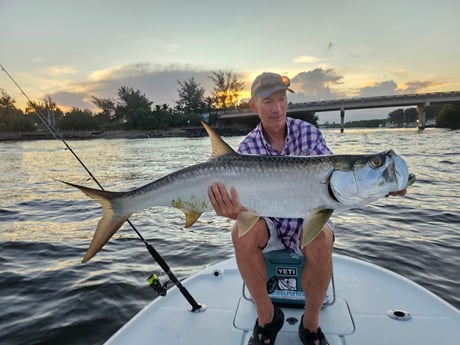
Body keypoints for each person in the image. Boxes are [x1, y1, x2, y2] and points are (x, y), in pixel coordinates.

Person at [207, 72, 406, 345]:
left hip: (311, 214)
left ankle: (310, 325)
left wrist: (383, 185)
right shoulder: (248, 146)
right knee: (239, 234)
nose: (277, 108)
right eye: (268, 101)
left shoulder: (309, 133)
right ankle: (267, 317)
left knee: (321, 240)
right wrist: (232, 210)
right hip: (271, 223)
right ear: (254, 106)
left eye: (281, 99)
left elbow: (344, 184)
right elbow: (245, 208)